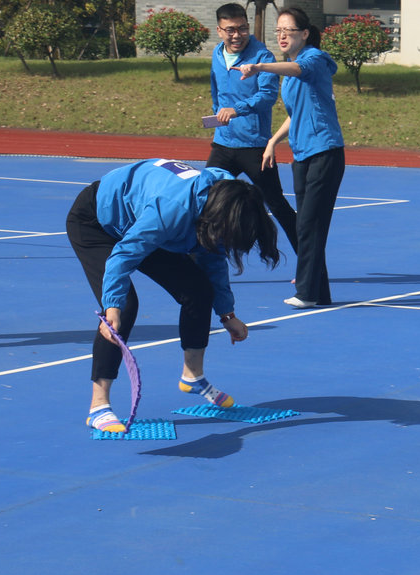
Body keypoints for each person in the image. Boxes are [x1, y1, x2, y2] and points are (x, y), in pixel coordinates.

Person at [66, 158, 280, 434]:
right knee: (124, 306)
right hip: (96, 221)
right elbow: (123, 256)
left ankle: (192, 376)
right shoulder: (172, 210)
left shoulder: (226, 202)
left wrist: (227, 315)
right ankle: (99, 406)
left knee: (198, 289)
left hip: (143, 218)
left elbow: (213, 261)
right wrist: (112, 308)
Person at [237, 6, 343, 309]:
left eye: (289, 30)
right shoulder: (289, 72)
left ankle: (307, 293)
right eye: (278, 31)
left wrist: (259, 67)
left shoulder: (314, 59)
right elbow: (295, 114)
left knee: (309, 223)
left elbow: (298, 69)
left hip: (325, 152)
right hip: (302, 155)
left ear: (305, 33)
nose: (282, 36)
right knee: (307, 226)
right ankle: (320, 292)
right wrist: (273, 141)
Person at [207, 3, 299, 257]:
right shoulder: (216, 53)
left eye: (242, 28)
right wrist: (217, 115)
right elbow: (216, 91)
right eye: (230, 30)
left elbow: (268, 96)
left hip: (254, 147)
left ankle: (311, 265)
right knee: (205, 199)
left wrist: (236, 110)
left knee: (277, 205)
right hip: (223, 144)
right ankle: (201, 260)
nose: (237, 35)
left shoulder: (263, 57)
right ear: (219, 30)